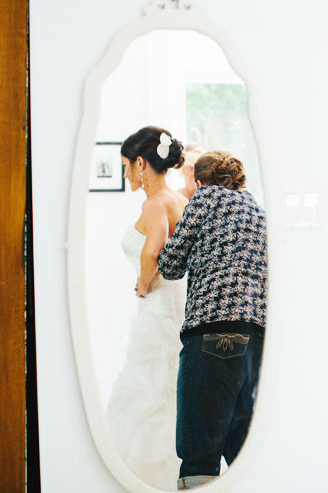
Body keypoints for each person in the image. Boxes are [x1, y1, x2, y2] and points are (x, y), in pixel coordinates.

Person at [157, 151, 267, 490]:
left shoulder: (204, 199)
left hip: (213, 329)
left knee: (198, 440)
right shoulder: (258, 210)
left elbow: (172, 263)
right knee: (238, 437)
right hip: (256, 332)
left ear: (199, 180)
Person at [105, 126, 188, 489]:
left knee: (149, 391)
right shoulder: (180, 201)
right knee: (168, 390)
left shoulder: (154, 203)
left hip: (157, 310)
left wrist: (141, 283)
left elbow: (153, 249)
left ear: (141, 163)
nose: (125, 175)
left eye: (126, 166)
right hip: (176, 307)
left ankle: (144, 478)